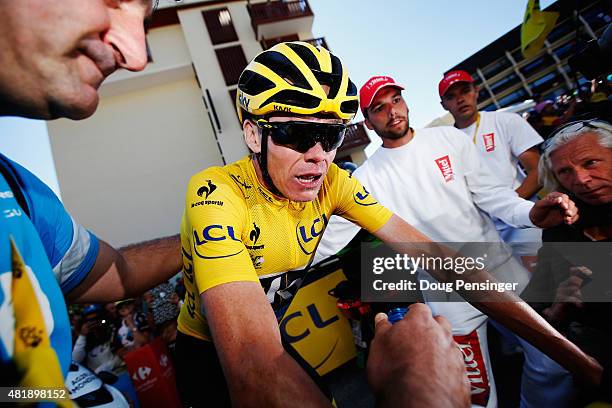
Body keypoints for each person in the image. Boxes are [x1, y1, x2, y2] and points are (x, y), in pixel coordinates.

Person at [174, 43, 598, 407]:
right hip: (209, 353)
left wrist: (580, 360)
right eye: (300, 134)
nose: (319, 155)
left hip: (277, 333)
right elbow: (252, 372)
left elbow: (437, 258)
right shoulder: (216, 192)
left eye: (332, 136)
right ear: (252, 134)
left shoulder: (337, 182)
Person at [314, 76, 591, 407]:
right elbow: (325, 242)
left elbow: (492, 195)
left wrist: (529, 214)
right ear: (369, 123)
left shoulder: (447, 139)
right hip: (449, 296)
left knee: (554, 363)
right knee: (473, 394)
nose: (392, 111)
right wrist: (263, 275)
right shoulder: (366, 178)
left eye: (396, 100)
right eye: (379, 107)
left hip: (502, 272)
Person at [0, 0, 182, 396]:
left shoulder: (20, 193)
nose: (135, 56)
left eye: (146, 20)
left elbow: (119, 274)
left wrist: (215, 233)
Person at [525, 119, 612, 404]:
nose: (581, 179)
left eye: (590, 163)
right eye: (565, 171)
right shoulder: (561, 226)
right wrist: (560, 306)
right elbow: (541, 315)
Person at [439, 70, 543, 266]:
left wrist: (508, 206)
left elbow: (538, 171)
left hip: (522, 220)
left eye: (465, 91)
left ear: (476, 91)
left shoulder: (505, 121)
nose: (460, 99)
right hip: (483, 234)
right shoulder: (442, 144)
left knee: (546, 282)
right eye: (451, 97)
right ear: (443, 104)